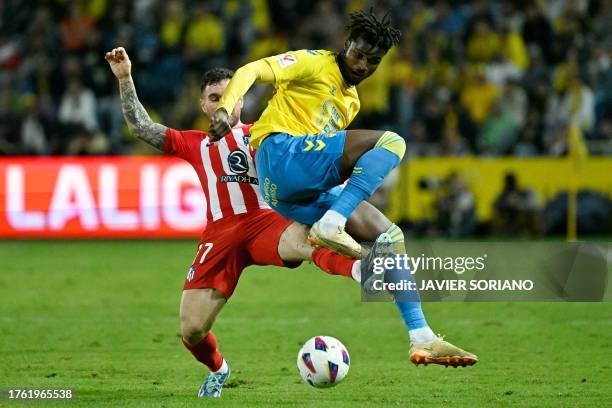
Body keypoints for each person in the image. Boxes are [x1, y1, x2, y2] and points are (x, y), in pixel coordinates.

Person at [209, 9, 478, 368]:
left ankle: (421, 335)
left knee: (389, 236)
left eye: (374, 61)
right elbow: (252, 70)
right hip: (281, 152)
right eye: (359, 54)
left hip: (289, 193)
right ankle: (333, 222)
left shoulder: (351, 101)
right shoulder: (316, 62)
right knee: (392, 143)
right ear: (345, 44)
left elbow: (327, 152)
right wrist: (226, 110)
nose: (364, 65)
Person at [105, 47, 361, 398]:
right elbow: (140, 127)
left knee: (307, 238)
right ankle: (218, 369)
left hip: (264, 222)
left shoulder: (268, 133)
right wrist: (125, 78)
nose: (222, 102)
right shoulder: (191, 142)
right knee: (192, 329)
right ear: (204, 106)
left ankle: (363, 271)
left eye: (228, 95)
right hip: (220, 233)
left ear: (239, 101)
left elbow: (310, 157)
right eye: (214, 97)